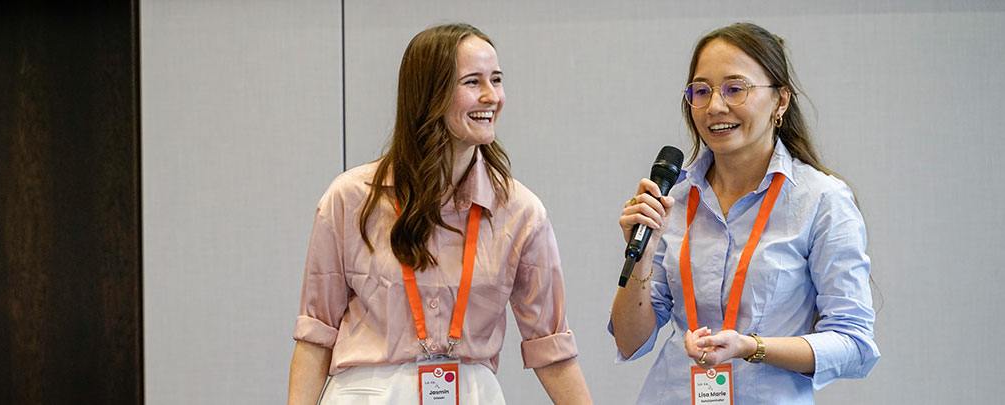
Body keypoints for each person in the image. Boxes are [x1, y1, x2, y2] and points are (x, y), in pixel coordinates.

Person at [288, 23, 592, 405]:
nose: (492, 96)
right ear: (429, 94)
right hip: (367, 394)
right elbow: (316, 336)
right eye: (472, 82)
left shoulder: (521, 212)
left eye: (496, 80)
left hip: (472, 394)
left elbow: (551, 348)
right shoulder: (350, 199)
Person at [608, 22, 880, 404]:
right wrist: (642, 258)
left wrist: (750, 346)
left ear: (780, 101)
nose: (716, 106)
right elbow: (630, 341)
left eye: (736, 89)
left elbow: (854, 345)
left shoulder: (821, 200)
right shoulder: (675, 198)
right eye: (701, 91)